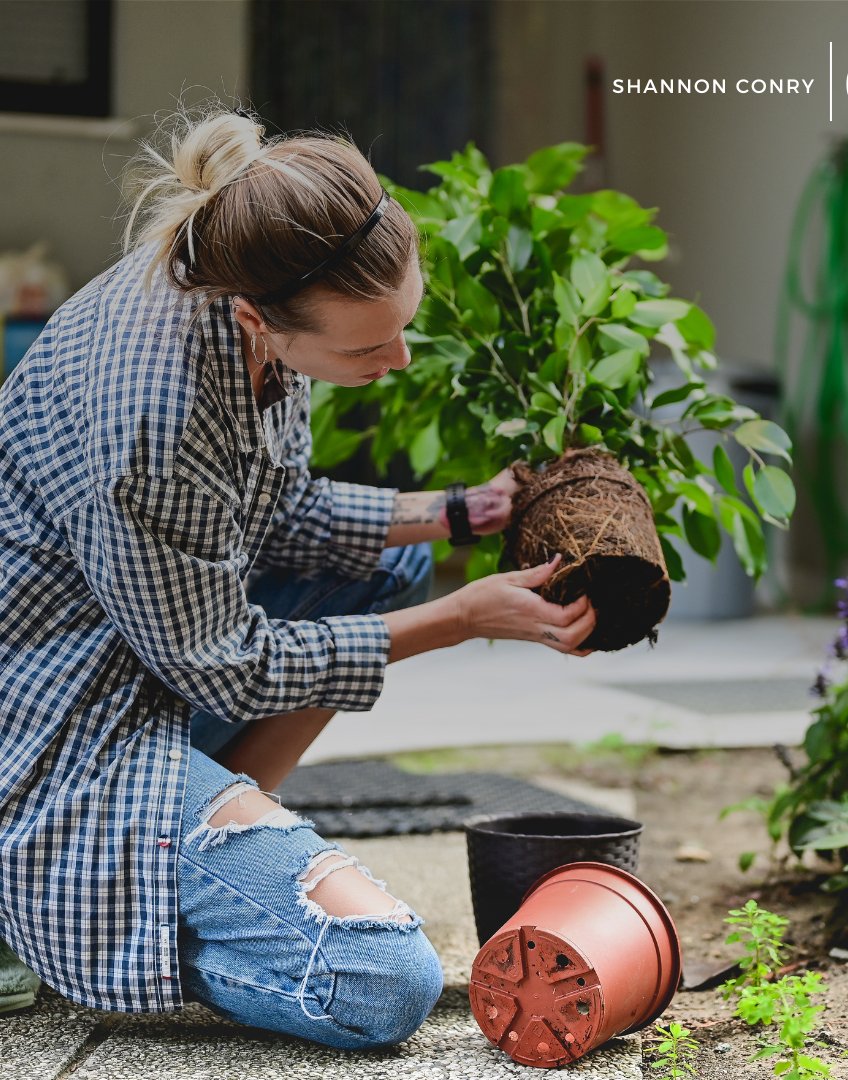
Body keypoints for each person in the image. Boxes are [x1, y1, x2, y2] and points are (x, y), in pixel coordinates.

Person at [0, 104, 596, 1048]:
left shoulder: (253, 279)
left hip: (142, 649)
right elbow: (224, 668)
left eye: (402, 328)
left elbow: (272, 512)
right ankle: (75, 891)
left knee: (388, 556)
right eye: (366, 349)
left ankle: (209, 835)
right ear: (256, 318)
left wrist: (453, 512)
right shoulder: (152, 419)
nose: (394, 360)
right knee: (379, 979)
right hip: (58, 719)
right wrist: (461, 618)